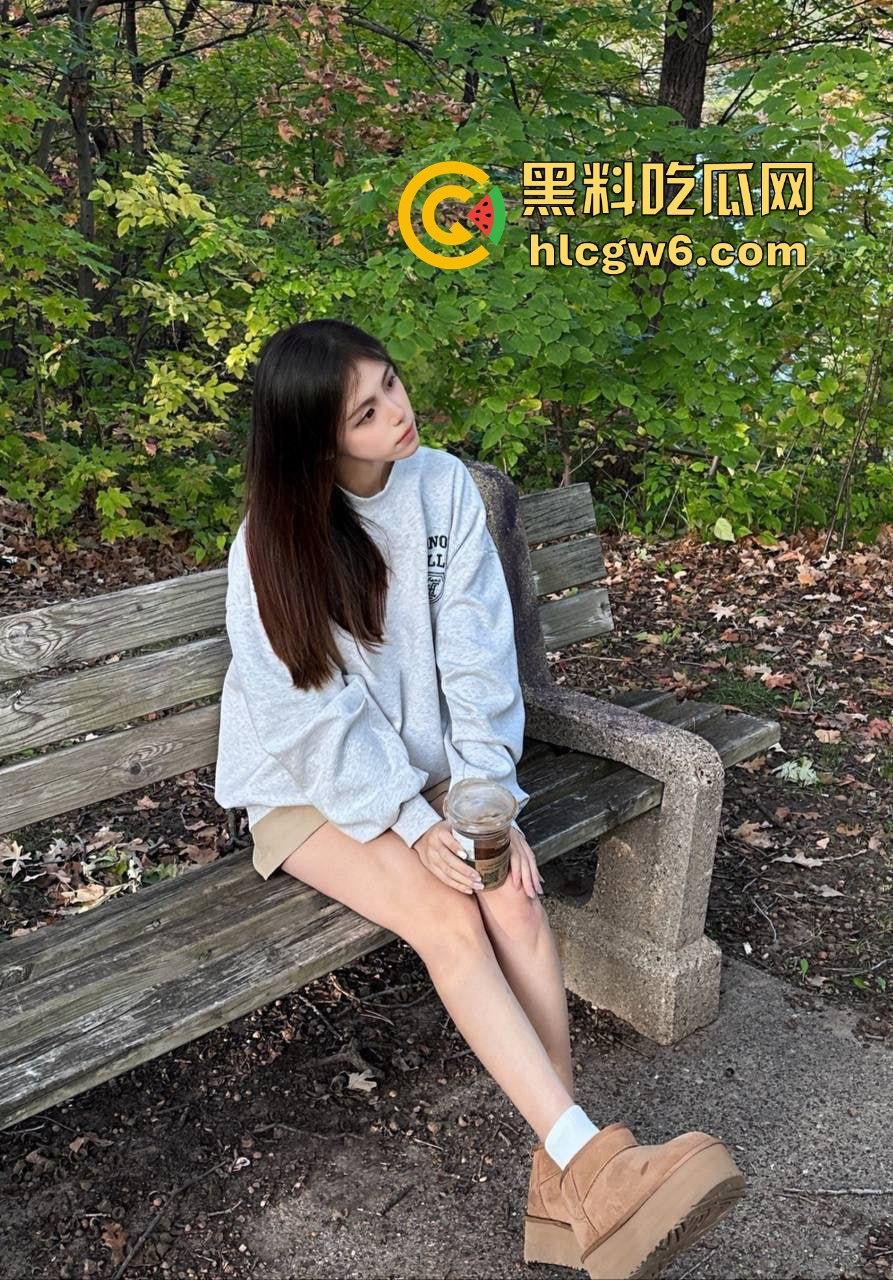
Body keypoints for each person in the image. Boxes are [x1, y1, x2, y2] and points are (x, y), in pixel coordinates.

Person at [213, 318, 745, 1278]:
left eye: (389, 383)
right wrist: (412, 822)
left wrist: (483, 803)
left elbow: (477, 657)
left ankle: (567, 1177)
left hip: (431, 777)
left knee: (514, 897)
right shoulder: (271, 543)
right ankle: (591, 1170)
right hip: (308, 790)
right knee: (451, 922)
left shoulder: (443, 486)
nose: (396, 413)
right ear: (318, 441)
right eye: (364, 413)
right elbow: (309, 718)